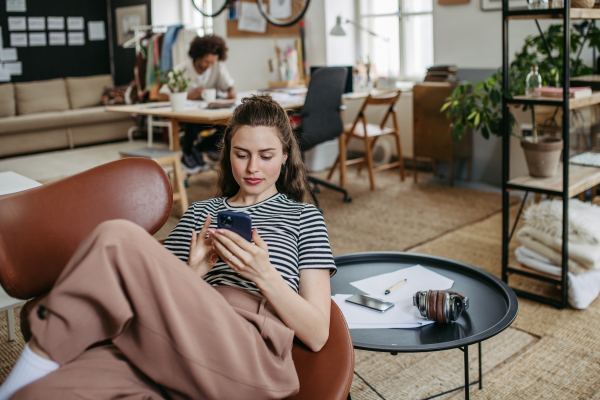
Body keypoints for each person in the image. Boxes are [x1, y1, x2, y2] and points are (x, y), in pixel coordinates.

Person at [0, 94, 336, 400]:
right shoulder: (200, 213)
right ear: (227, 153)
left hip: (246, 354)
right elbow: (140, 291)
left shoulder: (303, 217)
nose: (252, 168)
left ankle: (39, 354)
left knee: (117, 239)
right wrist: (193, 273)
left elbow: (318, 333)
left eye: (266, 156)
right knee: (38, 393)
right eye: (241, 154)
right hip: (172, 344)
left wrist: (264, 275)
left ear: (285, 156)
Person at [158, 35, 236, 174]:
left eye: (212, 62)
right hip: (189, 117)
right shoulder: (181, 70)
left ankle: (199, 149)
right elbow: (161, 95)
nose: (209, 65)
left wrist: (231, 92)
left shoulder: (217, 66)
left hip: (211, 114)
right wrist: (188, 96)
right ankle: (189, 154)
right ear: (197, 56)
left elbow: (230, 86)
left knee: (232, 125)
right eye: (207, 61)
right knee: (193, 127)